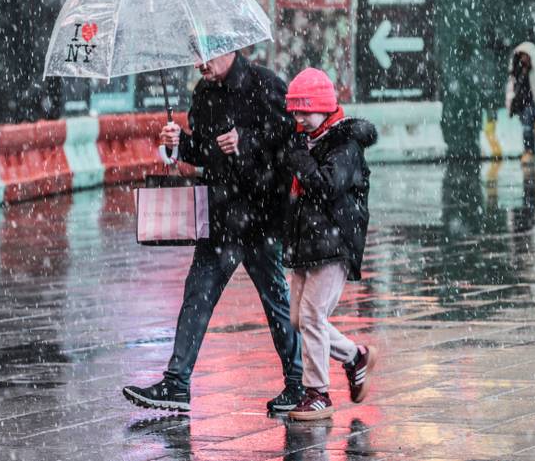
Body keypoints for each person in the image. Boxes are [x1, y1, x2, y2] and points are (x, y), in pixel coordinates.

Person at [122, 45, 304, 413]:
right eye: (196, 56)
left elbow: (293, 145)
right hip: (220, 217)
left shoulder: (265, 86)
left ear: (229, 50)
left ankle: (298, 384)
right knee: (197, 294)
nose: (199, 64)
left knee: (276, 303)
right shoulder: (203, 93)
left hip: (261, 217)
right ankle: (176, 384)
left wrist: (247, 143)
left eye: (206, 55)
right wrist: (179, 144)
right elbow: (205, 152)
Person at [281, 68, 378, 422]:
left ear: (324, 108)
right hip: (307, 244)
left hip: (334, 243)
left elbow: (326, 187)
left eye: (305, 111)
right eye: (296, 112)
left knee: (311, 316)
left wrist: (301, 161)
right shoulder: (306, 141)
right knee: (299, 318)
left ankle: (317, 393)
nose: (300, 119)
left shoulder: (344, 145)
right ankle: (355, 356)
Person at [506, 42, 535, 164]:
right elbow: (511, 88)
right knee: (528, 128)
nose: (523, 58)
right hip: (522, 104)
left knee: (531, 128)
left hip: (534, 103)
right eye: (521, 56)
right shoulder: (517, 71)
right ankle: (531, 151)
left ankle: (532, 152)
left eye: (525, 55)